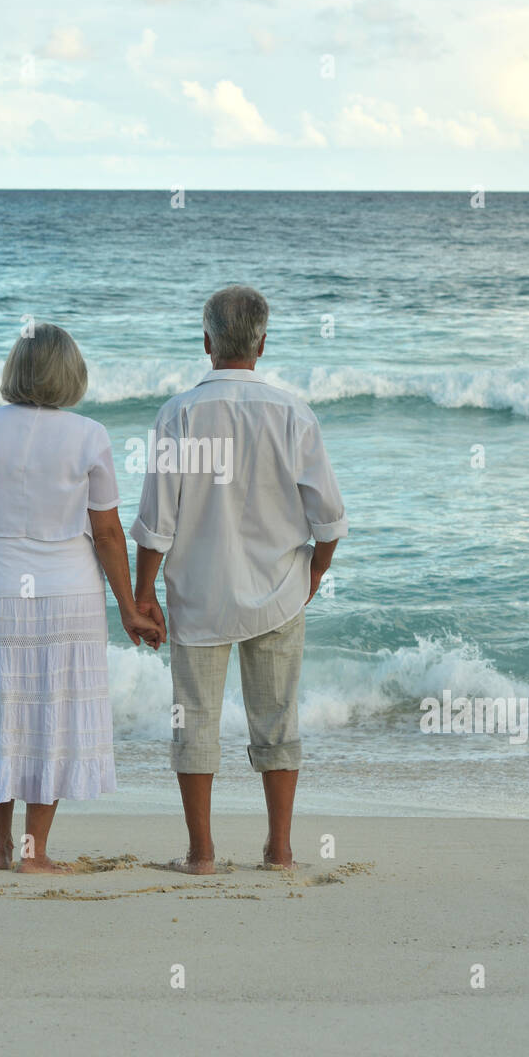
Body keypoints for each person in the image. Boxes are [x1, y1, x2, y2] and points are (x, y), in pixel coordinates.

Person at [130, 285, 347, 873]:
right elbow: (328, 517)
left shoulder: (179, 413)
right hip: (279, 589)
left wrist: (142, 592)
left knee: (193, 718)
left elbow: (156, 524)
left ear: (206, 343)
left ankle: (201, 854)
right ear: (262, 343)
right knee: (278, 716)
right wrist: (317, 572)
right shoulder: (293, 414)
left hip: (199, 593)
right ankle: (279, 850)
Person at [0, 322, 163, 874]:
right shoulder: (89, 435)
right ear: (71, 375)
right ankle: (34, 853)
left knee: (2, 710)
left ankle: (0, 846)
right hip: (67, 590)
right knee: (52, 716)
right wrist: (131, 607)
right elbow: (108, 534)